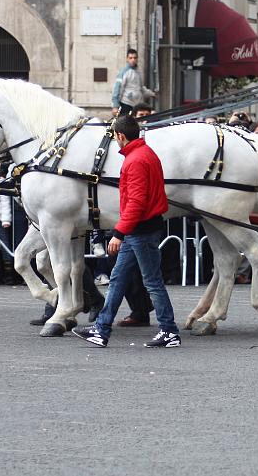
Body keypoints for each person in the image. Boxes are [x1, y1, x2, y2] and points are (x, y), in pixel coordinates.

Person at [73, 116, 180, 348]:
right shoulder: (146, 154)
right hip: (142, 228)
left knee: (151, 282)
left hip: (139, 230)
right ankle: (102, 330)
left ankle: (169, 330)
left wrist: (119, 232)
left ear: (120, 136)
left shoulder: (135, 160)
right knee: (119, 280)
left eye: (114, 137)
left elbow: (136, 202)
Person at [111, 49, 155, 116]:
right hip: (126, 104)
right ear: (127, 59)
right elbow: (117, 89)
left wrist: (151, 93)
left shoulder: (138, 72)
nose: (133, 60)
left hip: (137, 105)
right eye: (130, 58)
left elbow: (140, 88)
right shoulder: (124, 72)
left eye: (135, 58)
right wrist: (115, 105)